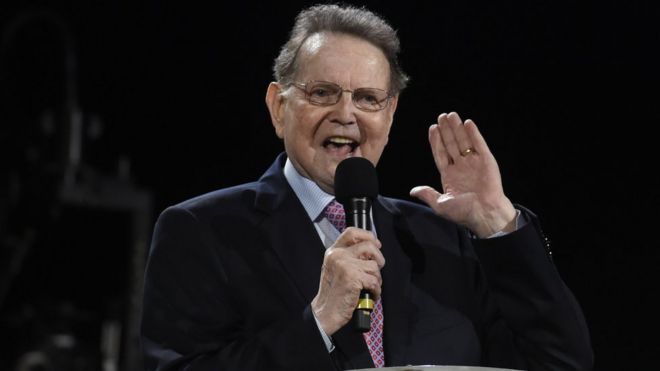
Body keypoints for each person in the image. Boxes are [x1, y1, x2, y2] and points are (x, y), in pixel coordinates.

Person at [140, 4, 593, 371]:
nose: (346, 113)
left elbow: (559, 361)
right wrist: (317, 323)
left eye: (367, 98)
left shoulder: (439, 238)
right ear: (279, 107)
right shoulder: (201, 231)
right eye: (322, 93)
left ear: (390, 115)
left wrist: (497, 224)